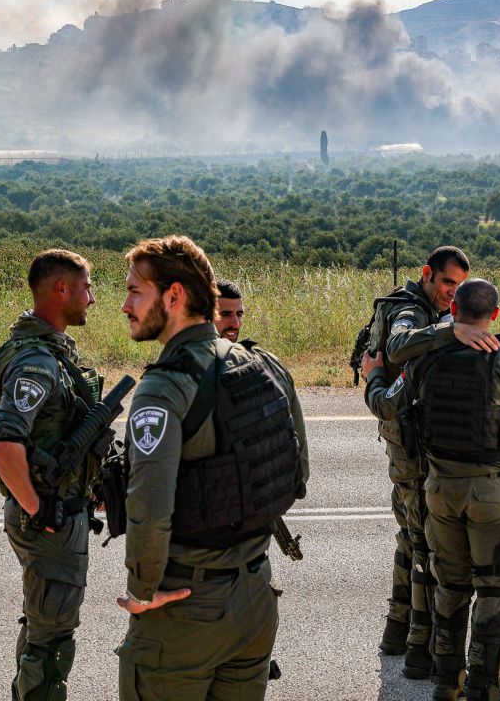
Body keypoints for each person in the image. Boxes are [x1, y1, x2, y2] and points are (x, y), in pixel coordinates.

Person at [115, 236, 305, 700]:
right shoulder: (264, 365)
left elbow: (150, 506)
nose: (125, 305)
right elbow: (296, 471)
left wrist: (143, 591)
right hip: (256, 598)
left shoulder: (165, 388)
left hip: (186, 609)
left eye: (135, 291)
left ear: (174, 296)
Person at [363, 279, 500, 701]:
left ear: (453, 309)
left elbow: (385, 404)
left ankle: (447, 682)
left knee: (448, 584)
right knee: (492, 587)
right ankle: (484, 689)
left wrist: (374, 376)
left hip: (438, 489)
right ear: (495, 315)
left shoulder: (426, 360)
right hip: (492, 493)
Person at [0, 249, 102, 701]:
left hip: (56, 511)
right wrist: (39, 507)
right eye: (87, 287)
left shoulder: (45, 350)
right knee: (50, 644)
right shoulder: (36, 363)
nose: (91, 299)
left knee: (43, 628)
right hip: (48, 520)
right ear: (61, 290)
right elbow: (4, 440)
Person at [366, 246, 474, 677]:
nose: (452, 294)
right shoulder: (408, 311)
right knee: (422, 539)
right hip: (408, 440)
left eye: (460, 288)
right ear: (427, 274)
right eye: (447, 283)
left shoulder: (429, 310)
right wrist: (452, 333)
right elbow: (397, 346)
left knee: (412, 536)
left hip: (418, 435)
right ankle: (417, 642)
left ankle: (398, 628)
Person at [215, 278, 310, 491]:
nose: (235, 324)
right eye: (225, 315)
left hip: (256, 497)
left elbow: (297, 436)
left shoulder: (268, 363)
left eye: (239, 314)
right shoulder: (197, 369)